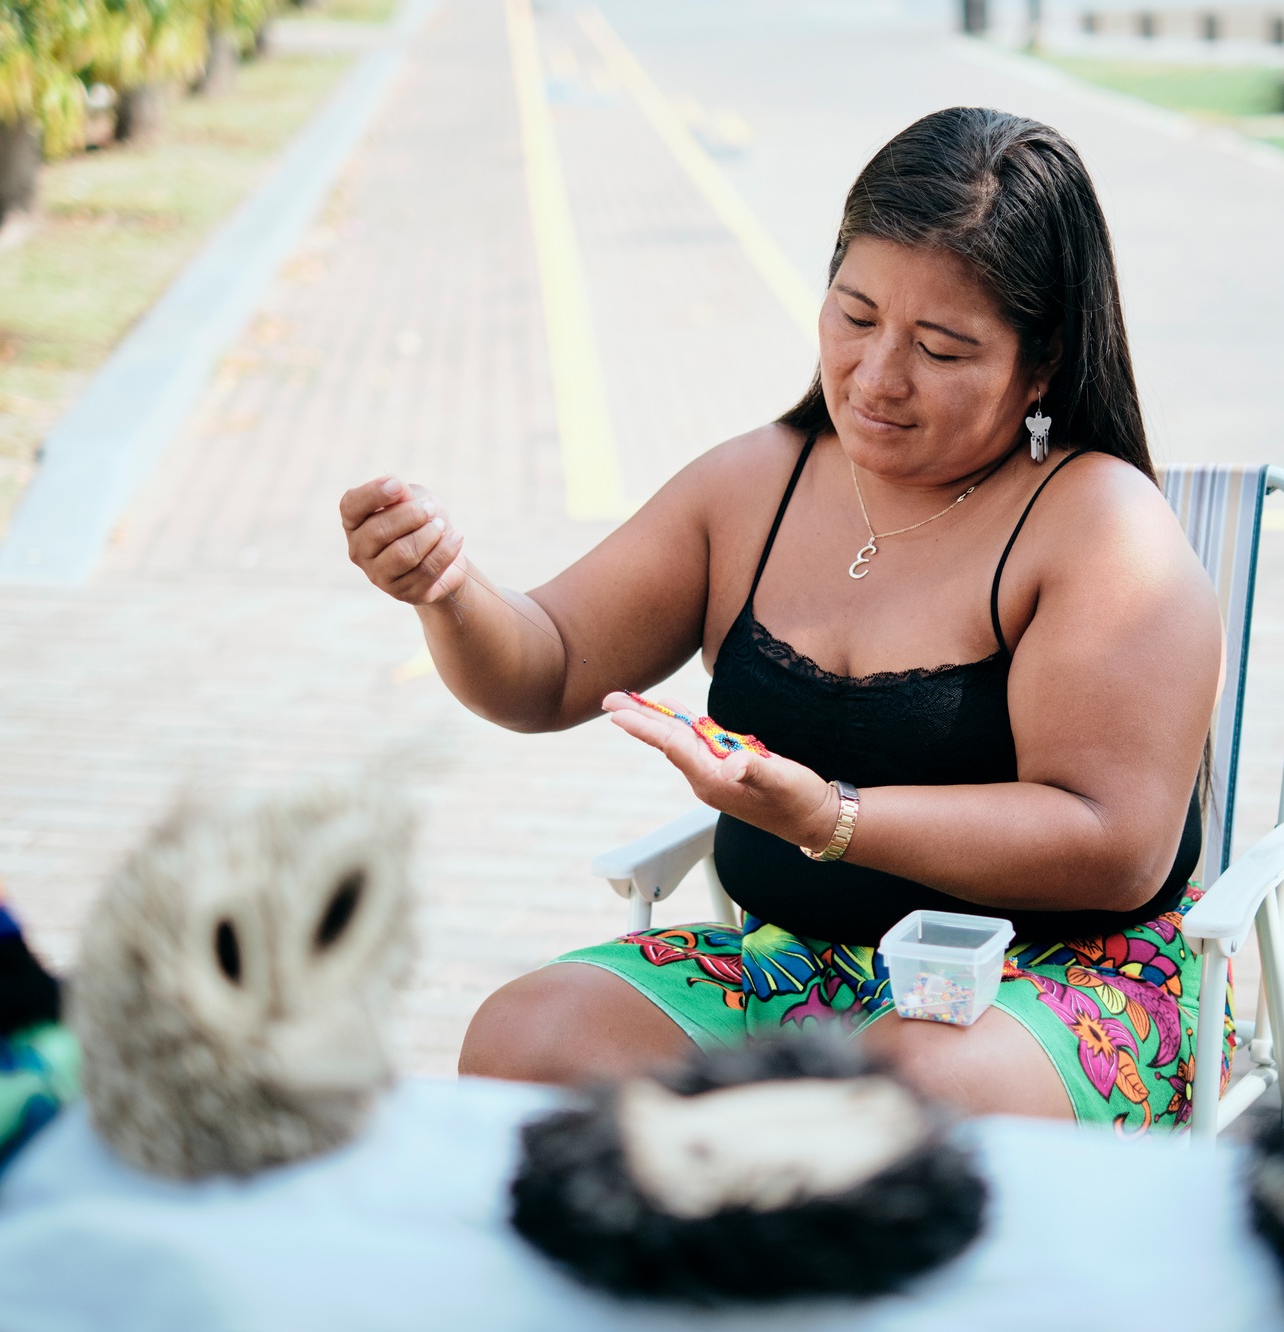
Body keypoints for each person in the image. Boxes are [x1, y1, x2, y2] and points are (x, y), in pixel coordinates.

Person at [339, 107, 1223, 1126]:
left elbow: (1115, 843)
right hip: (797, 968)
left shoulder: (1098, 526)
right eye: (854, 317)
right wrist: (446, 589)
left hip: (1059, 981)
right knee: (524, 1043)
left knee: (882, 1104)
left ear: (1041, 361)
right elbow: (544, 669)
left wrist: (830, 817)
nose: (877, 377)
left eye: (940, 348)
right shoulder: (754, 484)